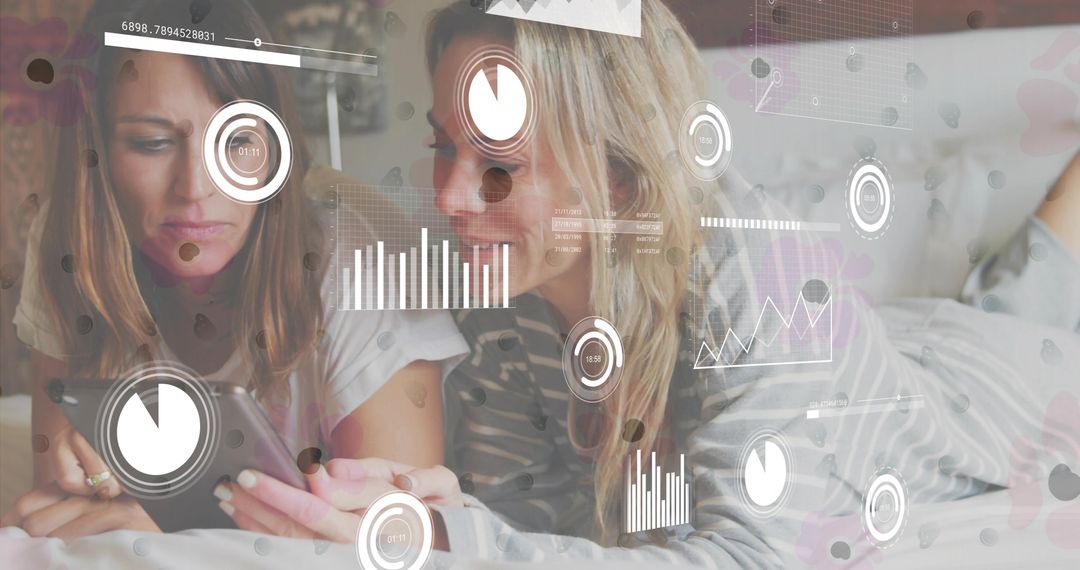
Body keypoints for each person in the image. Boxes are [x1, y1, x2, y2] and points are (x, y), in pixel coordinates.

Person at [216, 1, 1080, 566]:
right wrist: (441, 517)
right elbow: (538, 526)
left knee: (1026, 311)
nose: (445, 197)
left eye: (500, 169)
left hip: (988, 383)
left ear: (618, 180)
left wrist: (465, 537)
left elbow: (747, 558)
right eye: (445, 144)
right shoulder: (509, 303)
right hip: (898, 336)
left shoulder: (760, 273)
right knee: (1010, 290)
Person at [0, 0, 466, 541]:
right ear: (96, 152)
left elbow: (389, 534)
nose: (196, 187)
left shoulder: (366, 249)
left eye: (239, 140)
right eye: (152, 143)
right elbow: (67, 506)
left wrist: (178, 520)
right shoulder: (68, 237)